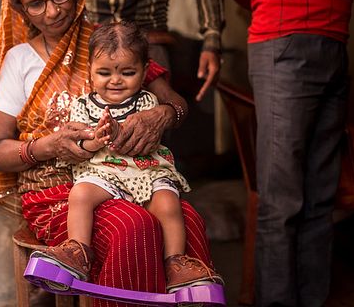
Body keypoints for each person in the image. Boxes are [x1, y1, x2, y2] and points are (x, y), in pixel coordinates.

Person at [0, 0, 216, 302]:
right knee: (131, 227)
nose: (53, 10)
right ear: (21, 9)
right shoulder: (19, 61)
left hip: (131, 177)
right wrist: (49, 145)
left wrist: (163, 114)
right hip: (57, 194)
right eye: (36, 4)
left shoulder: (110, 46)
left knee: (187, 217)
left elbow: (177, 104)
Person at [31, 21, 223, 292]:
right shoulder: (83, 106)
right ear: (90, 72)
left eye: (128, 72)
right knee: (81, 195)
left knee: (169, 203)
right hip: (103, 171)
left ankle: (176, 263)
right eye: (104, 72)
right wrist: (93, 140)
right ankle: (77, 251)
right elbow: (78, 146)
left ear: (144, 71)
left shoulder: (147, 103)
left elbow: (144, 140)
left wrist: (122, 132)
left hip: (145, 170)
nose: (115, 80)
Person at [221, 0, 353, 306]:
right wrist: (278, 3)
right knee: (282, 199)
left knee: (320, 196)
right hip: (285, 42)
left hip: (333, 43)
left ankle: (313, 300)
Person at [55, 0, 225, 102]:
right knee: (79, 120)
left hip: (148, 40)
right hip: (86, 35)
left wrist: (212, 41)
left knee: (154, 119)